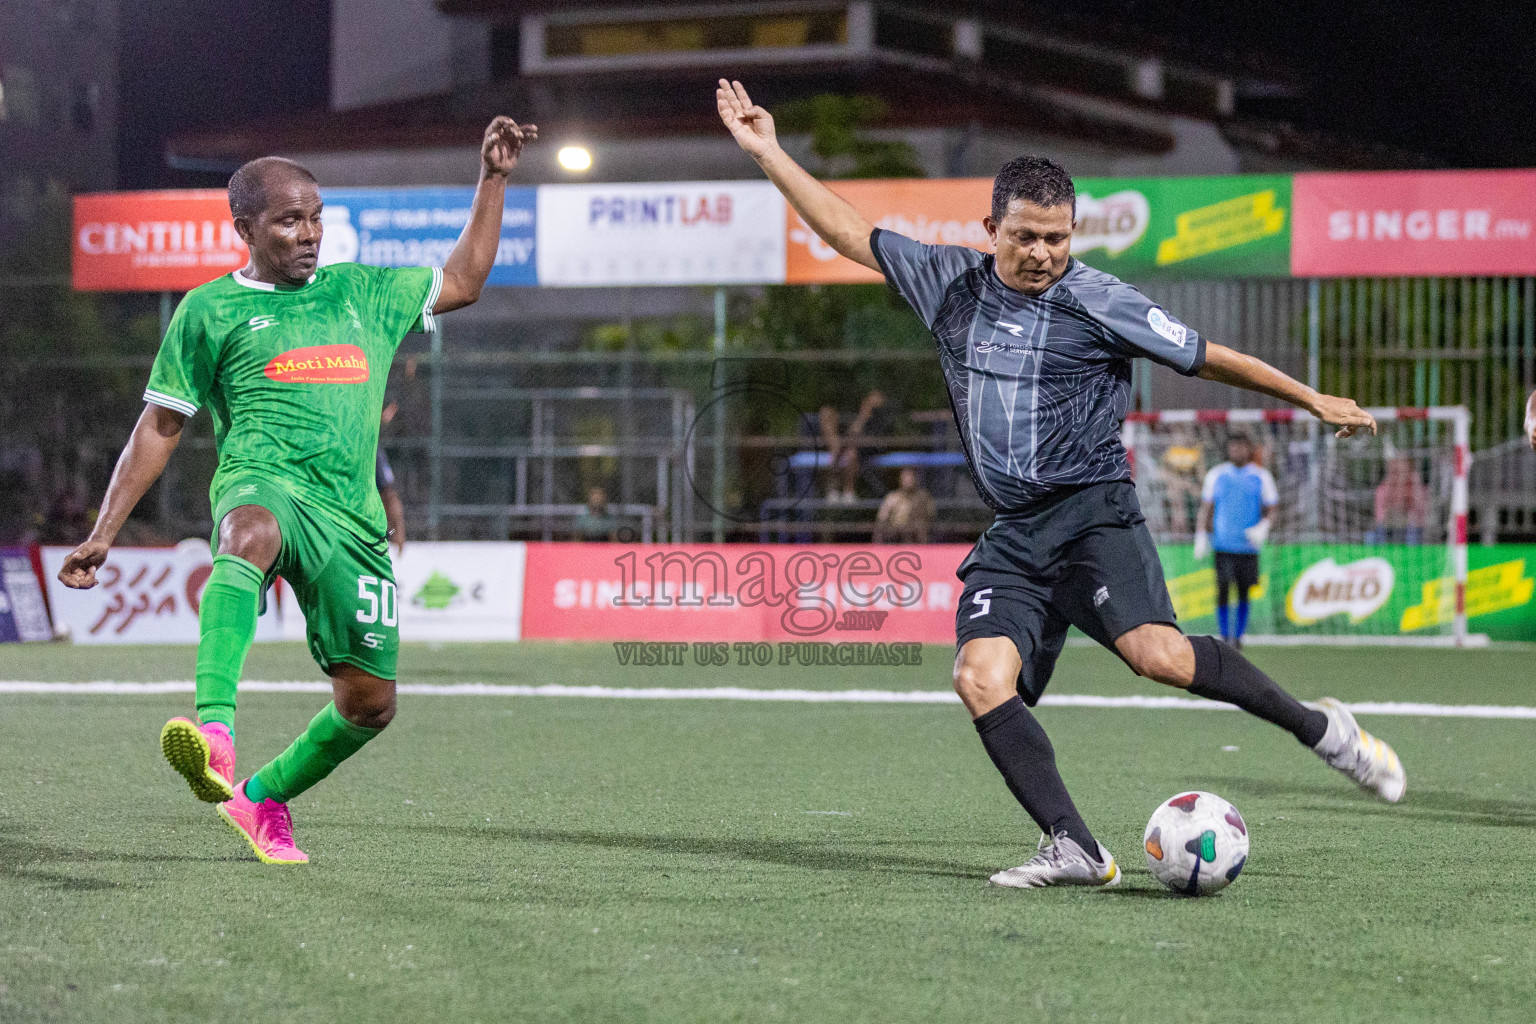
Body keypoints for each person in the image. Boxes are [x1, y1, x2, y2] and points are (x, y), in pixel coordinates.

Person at [718, 78, 1405, 889]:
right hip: (1015, 530)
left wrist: (1310, 398)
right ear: (991, 231)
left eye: (1056, 237)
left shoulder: (1098, 299)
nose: (1042, 253)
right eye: (1025, 237)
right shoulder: (948, 282)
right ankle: (1075, 846)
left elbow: (1207, 353)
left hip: (1092, 516)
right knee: (979, 678)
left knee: (1161, 658)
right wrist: (768, 151)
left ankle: (1322, 729)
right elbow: (846, 231)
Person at [57, 114, 537, 865]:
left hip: (352, 521)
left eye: (316, 217)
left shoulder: (364, 293)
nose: (310, 233)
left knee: (370, 706)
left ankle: (262, 797)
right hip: (265, 483)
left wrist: (494, 178)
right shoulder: (209, 310)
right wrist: (105, 530)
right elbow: (159, 426)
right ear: (245, 228)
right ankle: (214, 733)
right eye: (289, 220)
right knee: (247, 530)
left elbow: (466, 281)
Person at [1195, 434, 1278, 648]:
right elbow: (1206, 508)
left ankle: (1239, 637)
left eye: (1241, 447)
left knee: (1244, 591)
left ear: (1249, 449)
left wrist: (1264, 527)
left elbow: (1272, 508)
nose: (1236, 451)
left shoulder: (1261, 476)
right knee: (1222, 590)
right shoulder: (1217, 475)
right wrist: (1201, 535)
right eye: (1233, 447)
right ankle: (1224, 637)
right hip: (1223, 545)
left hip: (1248, 547)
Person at [1367, 455, 1428, 544]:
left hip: (1412, 527)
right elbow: (1379, 516)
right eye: (1395, 469)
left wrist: (1416, 483)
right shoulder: (1383, 489)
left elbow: (1421, 512)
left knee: (1412, 534)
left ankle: (1411, 556)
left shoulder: (1418, 488)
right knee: (1371, 537)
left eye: (1403, 468)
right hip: (1388, 526)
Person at [875, 466, 936, 543]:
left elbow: (931, 516)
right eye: (906, 477)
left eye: (911, 477)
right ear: (900, 479)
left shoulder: (924, 497)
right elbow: (882, 519)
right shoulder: (892, 497)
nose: (909, 480)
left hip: (917, 535)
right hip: (896, 534)